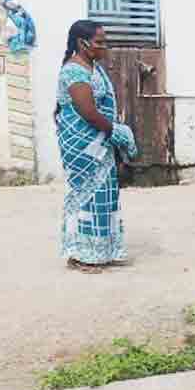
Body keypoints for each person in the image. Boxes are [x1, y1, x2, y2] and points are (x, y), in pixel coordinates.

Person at [55, 19, 137, 273]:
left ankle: (102, 251)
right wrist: (118, 132)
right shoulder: (73, 71)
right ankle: (80, 254)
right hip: (83, 145)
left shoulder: (93, 68)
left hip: (100, 141)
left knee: (105, 195)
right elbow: (88, 112)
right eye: (100, 42)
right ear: (83, 43)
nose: (105, 47)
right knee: (86, 197)